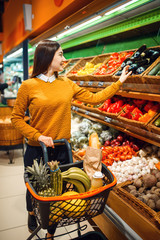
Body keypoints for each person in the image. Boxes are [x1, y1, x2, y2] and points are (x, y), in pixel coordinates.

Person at [11, 40, 132, 239]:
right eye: (60, 54)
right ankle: (31, 213)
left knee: (58, 195)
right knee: (35, 190)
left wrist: (119, 82)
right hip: (36, 149)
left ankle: (50, 234)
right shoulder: (28, 86)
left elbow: (95, 99)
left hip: (61, 150)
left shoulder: (67, 83)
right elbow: (16, 118)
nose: (64, 59)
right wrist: (38, 136)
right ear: (48, 57)